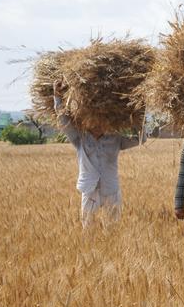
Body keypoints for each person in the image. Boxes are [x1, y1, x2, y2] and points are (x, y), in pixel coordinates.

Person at [53, 81, 146, 228]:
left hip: (111, 190)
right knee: (88, 229)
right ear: (86, 120)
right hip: (89, 190)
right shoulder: (79, 139)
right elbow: (63, 121)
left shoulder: (115, 139)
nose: (97, 125)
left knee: (113, 228)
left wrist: (138, 112)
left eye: (101, 121)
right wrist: (57, 97)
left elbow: (142, 139)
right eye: (93, 121)